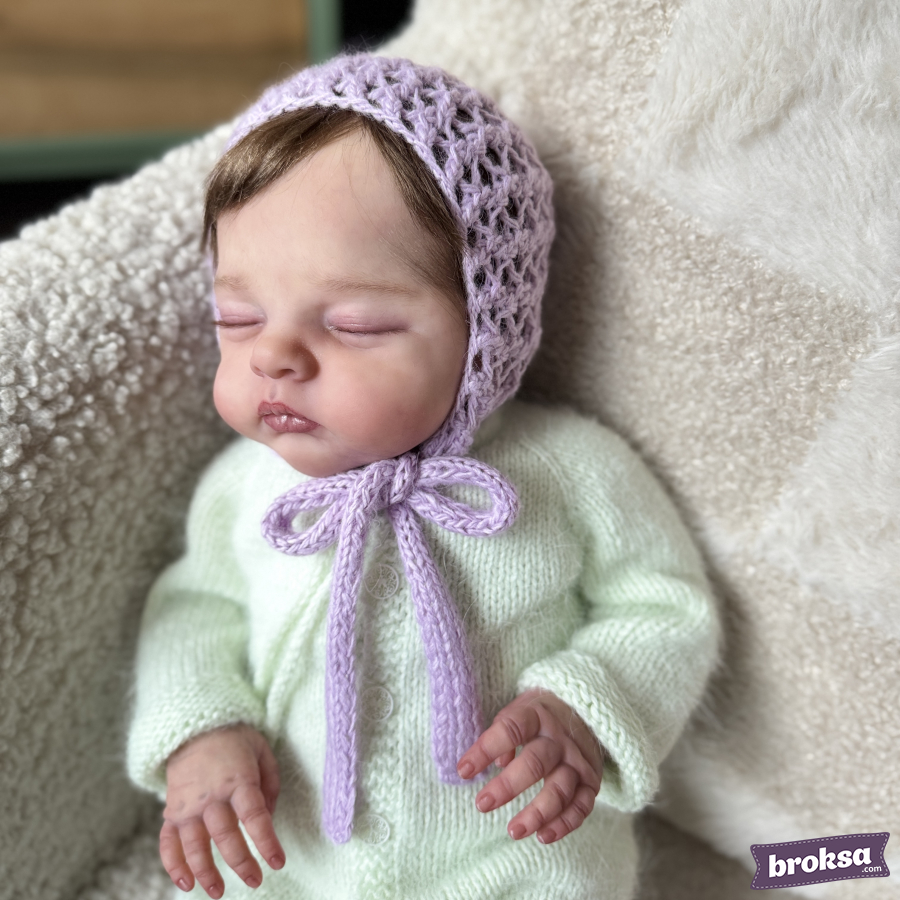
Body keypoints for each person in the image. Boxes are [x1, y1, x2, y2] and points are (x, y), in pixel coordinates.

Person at [127, 54, 719, 900]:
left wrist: (585, 706)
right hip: (296, 848)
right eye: (239, 316)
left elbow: (663, 605)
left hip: (511, 847)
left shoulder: (564, 471)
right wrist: (204, 728)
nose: (274, 355)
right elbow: (195, 609)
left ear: (486, 324)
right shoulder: (246, 489)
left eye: (354, 324)